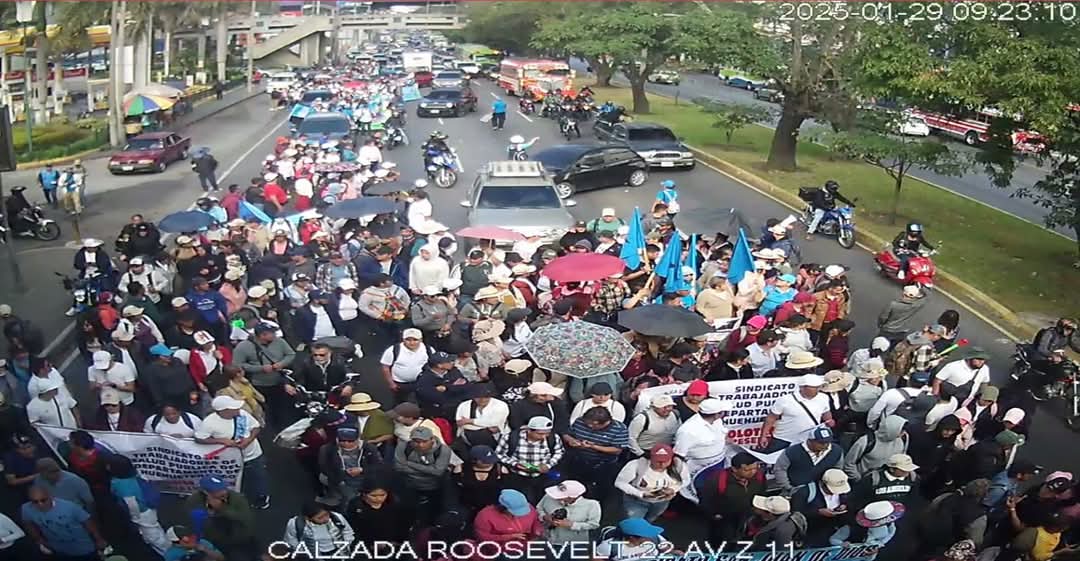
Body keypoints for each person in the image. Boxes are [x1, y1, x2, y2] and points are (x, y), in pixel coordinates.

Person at [195, 396, 270, 509]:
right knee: (235, 481)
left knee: (258, 477)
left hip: (253, 454)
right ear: (223, 411)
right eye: (233, 408)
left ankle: (260, 498)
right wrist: (220, 440)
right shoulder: (209, 422)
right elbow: (199, 438)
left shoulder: (242, 414)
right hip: (231, 459)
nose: (237, 409)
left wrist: (249, 440)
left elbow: (256, 427)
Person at [231, 323, 296, 428]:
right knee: (264, 412)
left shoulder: (280, 342)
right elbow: (237, 364)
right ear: (262, 335)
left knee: (281, 410)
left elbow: (291, 354)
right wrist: (260, 368)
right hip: (257, 385)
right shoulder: (244, 346)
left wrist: (282, 363)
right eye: (272, 333)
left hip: (279, 382)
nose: (274, 335)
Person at [21, 485, 108, 560]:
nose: (40, 504)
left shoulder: (70, 507)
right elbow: (28, 523)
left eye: (43, 500)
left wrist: (98, 539)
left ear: (50, 496)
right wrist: (38, 539)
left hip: (83, 546)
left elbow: (88, 522)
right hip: (58, 549)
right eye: (35, 502)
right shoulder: (26, 509)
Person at [183, 474, 257, 560]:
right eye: (217, 490)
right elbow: (192, 518)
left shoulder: (237, 499)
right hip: (212, 538)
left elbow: (245, 518)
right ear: (206, 492)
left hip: (236, 537)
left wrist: (222, 509)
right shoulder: (194, 500)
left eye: (224, 488)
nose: (223, 492)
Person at [564, 406, 629, 502]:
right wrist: (572, 441)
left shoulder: (620, 429)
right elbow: (567, 434)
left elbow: (617, 450)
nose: (589, 426)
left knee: (600, 489)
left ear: (606, 422)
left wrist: (593, 447)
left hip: (603, 465)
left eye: (593, 425)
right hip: (578, 461)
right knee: (575, 485)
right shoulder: (580, 421)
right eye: (587, 423)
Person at [108, 455, 170, 555]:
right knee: (154, 529)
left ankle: (168, 553)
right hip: (148, 507)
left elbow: (132, 506)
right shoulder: (134, 473)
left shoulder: (123, 487)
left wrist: (135, 519)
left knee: (153, 536)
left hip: (142, 514)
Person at [495, 416, 565, 503]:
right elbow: (499, 454)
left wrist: (548, 465)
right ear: (529, 430)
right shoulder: (510, 438)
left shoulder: (553, 438)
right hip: (517, 477)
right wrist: (515, 464)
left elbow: (559, 452)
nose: (544, 436)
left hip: (542, 477)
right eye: (540, 434)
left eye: (547, 433)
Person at [615, 443, 690, 522]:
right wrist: (640, 494)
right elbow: (620, 483)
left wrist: (673, 489)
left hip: (661, 502)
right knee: (632, 524)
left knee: (649, 521)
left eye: (666, 461)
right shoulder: (636, 464)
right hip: (636, 501)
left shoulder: (679, 466)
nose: (662, 464)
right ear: (651, 458)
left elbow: (685, 480)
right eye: (658, 461)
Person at [758, 374, 832, 453]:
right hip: (784, 439)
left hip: (807, 440)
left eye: (819, 387)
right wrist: (763, 436)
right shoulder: (785, 400)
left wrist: (829, 421)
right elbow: (771, 418)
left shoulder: (824, 398)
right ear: (802, 387)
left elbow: (826, 412)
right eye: (815, 387)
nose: (818, 390)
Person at [393, 426, 451, 526]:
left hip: (434, 486)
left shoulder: (443, 450)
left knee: (433, 513)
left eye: (424, 441)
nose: (420, 445)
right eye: (416, 441)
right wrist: (428, 470)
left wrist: (410, 464)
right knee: (407, 512)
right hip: (410, 485)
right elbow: (399, 467)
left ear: (432, 439)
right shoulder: (403, 446)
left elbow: (438, 471)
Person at [317, 426, 383, 507]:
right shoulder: (327, 449)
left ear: (357, 439)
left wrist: (362, 470)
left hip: (365, 478)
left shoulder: (369, 448)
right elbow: (324, 467)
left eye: (350, 441)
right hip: (341, 479)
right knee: (350, 500)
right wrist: (341, 477)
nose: (346, 443)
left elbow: (378, 466)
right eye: (342, 440)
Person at [773, 426, 844, 494]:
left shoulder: (836, 451)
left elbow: (837, 470)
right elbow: (780, 469)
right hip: (795, 490)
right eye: (821, 442)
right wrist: (788, 487)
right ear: (810, 441)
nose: (825, 445)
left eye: (828, 442)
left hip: (822, 492)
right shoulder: (792, 451)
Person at [674, 398, 732, 480]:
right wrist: (677, 478)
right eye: (723, 412)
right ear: (716, 414)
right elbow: (679, 455)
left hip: (718, 464)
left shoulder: (718, 421)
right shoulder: (688, 431)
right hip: (698, 471)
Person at [344, 479, 413, 547]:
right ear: (364, 494)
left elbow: (402, 524)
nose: (379, 498)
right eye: (373, 496)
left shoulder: (394, 503)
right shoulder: (355, 505)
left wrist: (396, 541)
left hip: (392, 543)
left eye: (382, 495)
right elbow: (353, 527)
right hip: (365, 544)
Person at [843, 415, 909, 481]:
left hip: (887, 482)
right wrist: (859, 479)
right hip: (866, 481)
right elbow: (849, 463)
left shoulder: (902, 440)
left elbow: (902, 461)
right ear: (893, 429)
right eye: (901, 430)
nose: (903, 433)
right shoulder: (866, 441)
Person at [537, 479, 602, 545]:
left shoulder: (591, 505)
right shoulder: (549, 496)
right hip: (548, 541)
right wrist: (544, 517)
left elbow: (594, 524)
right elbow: (538, 509)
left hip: (575, 545)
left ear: (572, 497)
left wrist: (572, 525)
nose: (556, 497)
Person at [282, 500, 355, 557]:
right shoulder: (295, 523)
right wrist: (303, 552)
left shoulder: (337, 517)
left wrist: (346, 545)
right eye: (320, 518)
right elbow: (291, 540)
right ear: (308, 518)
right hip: (313, 553)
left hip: (337, 551)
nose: (326, 519)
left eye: (326, 514)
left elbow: (348, 532)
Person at [472, 489, 543, 546]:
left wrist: (537, 531)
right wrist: (509, 536)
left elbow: (535, 520)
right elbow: (483, 537)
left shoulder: (529, 507)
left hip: (525, 549)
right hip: (498, 551)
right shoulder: (484, 516)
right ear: (503, 507)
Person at [830, 500, 905, 547]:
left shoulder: (890, 525)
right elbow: (833, 539)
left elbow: (890, 534)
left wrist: (879, 544)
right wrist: (842, 544)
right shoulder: (850, 528)